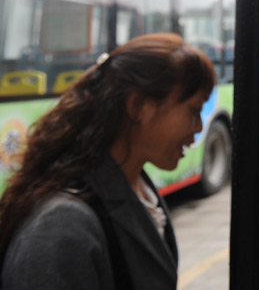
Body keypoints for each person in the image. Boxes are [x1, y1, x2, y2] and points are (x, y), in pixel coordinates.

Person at [0, 32, 216, 289]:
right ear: (138, 106)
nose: (199, 127)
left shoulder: (139, 186)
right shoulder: (61, 226)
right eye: (193, 111)